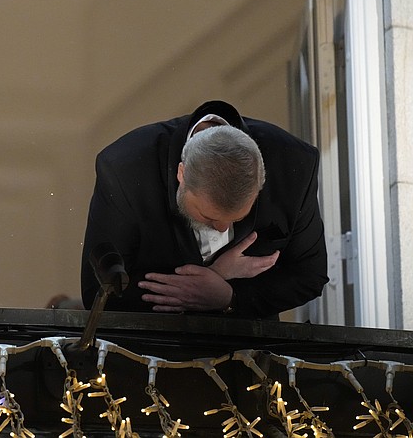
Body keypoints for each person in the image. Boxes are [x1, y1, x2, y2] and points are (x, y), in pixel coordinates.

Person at [80, 100, 328, 319]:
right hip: (148, 352)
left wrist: (231, 297)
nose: (223, 228)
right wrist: (212, 275)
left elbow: (310, 277)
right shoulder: (124, 168)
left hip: (249, 353)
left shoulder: (294, 165)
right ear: (182, 174)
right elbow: (100, 292)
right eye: (209, 217)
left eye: (237, 218)